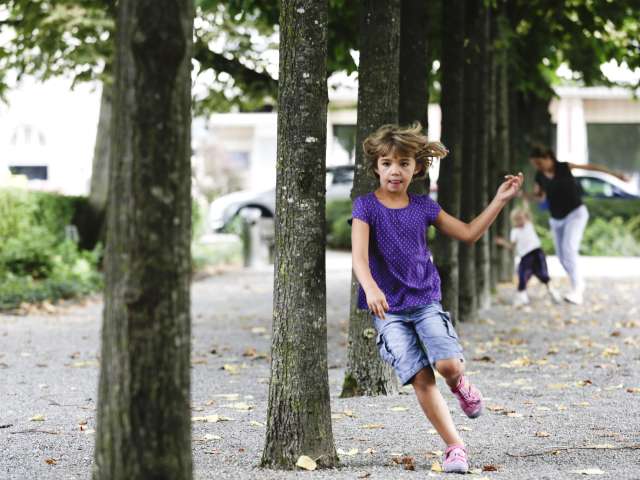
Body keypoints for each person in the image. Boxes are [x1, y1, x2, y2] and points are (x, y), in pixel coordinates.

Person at [351, 123, 523, 474]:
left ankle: (460, 385)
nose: (395, 170)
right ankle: (455, 447)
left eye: (403, 163)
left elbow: (469, 233)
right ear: (376, 167)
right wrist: (370, 287)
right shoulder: (365, 206)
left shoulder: (423, 207)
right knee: (420, 377)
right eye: (386, 163)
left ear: (416, 168)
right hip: (388, 310)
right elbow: (358, 258)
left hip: (425, 300)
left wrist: (500, 200)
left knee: (447, 367)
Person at [528, 145, 628, 305]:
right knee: (562, 257)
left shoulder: (563, 167)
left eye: (539, 163)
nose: (538, 167)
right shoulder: (539, 176)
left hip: (575, 214)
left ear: (548, 157)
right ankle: (577, 283)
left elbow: (592, 168)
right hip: (556, 219)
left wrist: (615, 175)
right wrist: (522, 195)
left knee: (569, 249)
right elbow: (539, 196)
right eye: (535, 165)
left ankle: (577, 290)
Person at [495, 207, 561, 306]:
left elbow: (528, 211)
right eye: (517, 219)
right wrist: (502, 242)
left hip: (537, 252)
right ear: (514, 221)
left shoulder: (529, 225)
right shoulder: (515, 231)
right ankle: (522, 296)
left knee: (543, 274)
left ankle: (552, 290)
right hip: (525, 256)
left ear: (525, 218)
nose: (520, 221)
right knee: (522, 274)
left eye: (522, 218)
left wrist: (525, 200)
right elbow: (511, 246)